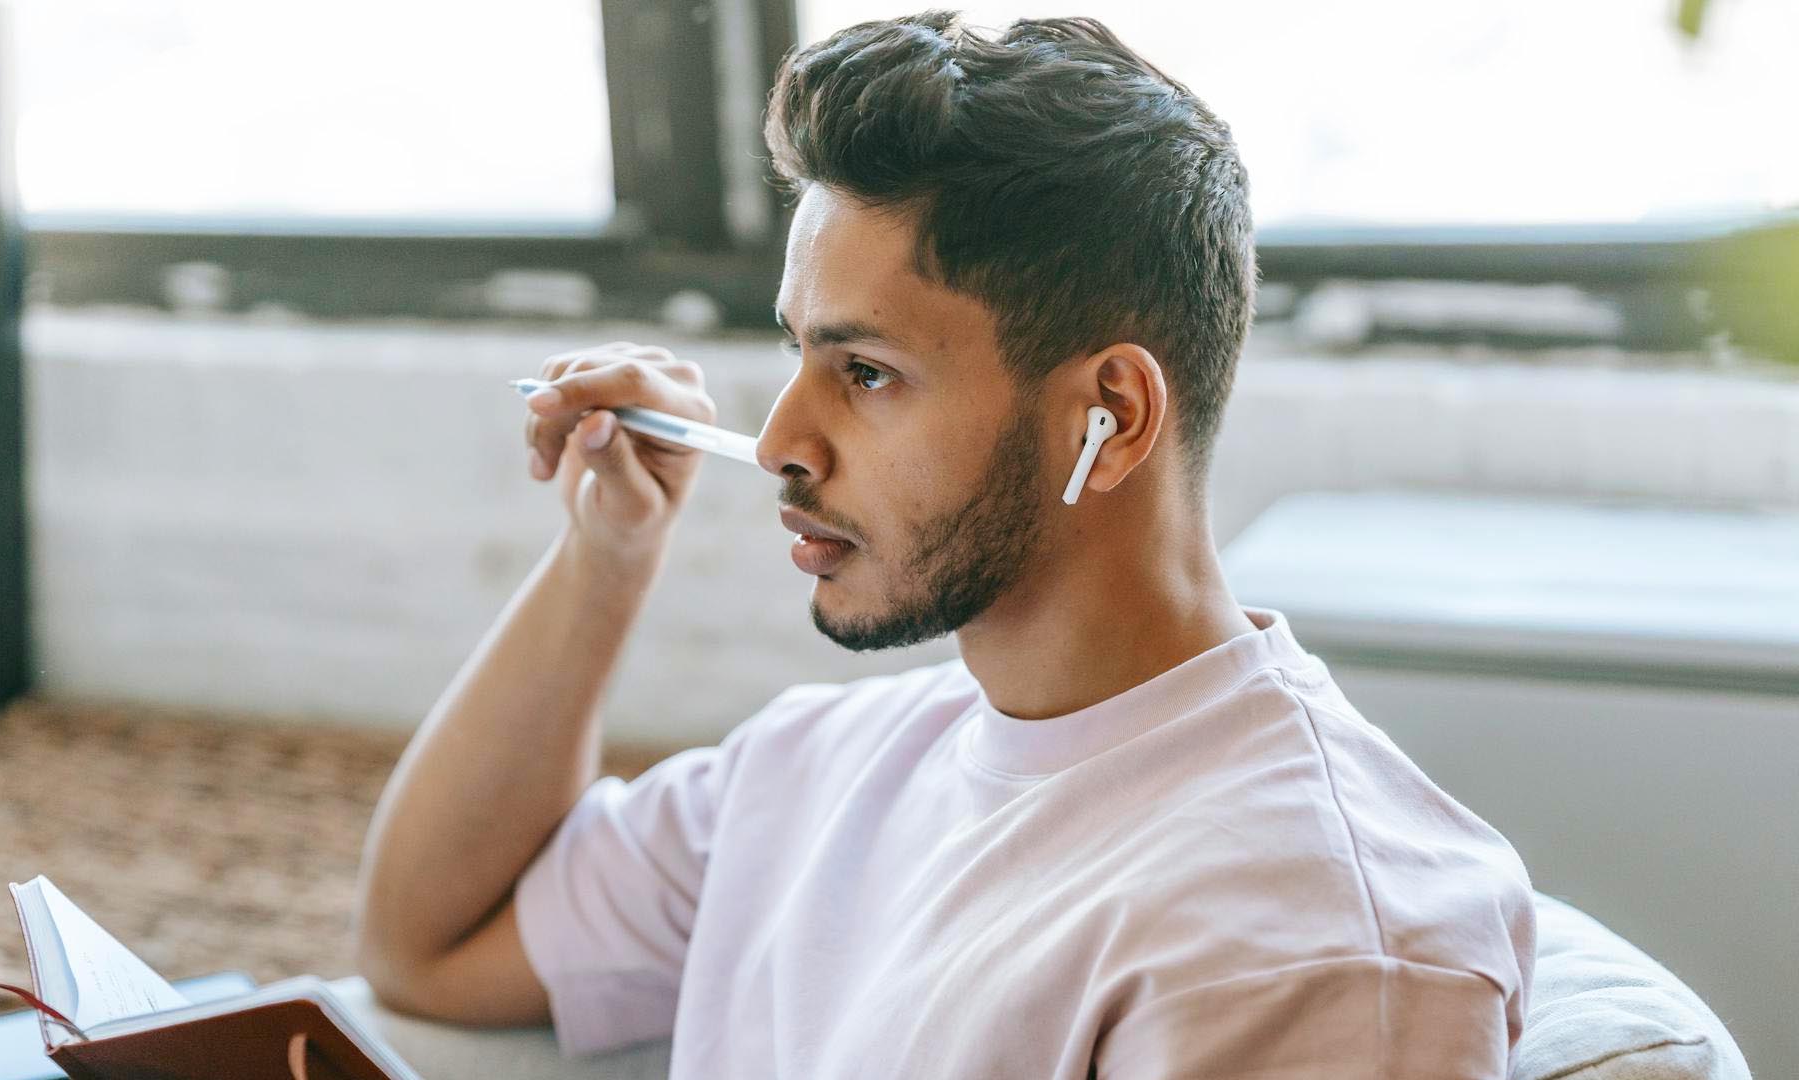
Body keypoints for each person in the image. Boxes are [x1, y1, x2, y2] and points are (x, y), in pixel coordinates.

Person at [354, 10, 1536, 1077]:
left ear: (1109, 417)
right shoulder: (819, 766)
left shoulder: (1308, 945)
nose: (778, 444)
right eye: (797, 355)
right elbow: (427, 949)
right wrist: (607, 559)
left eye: (866, 373)